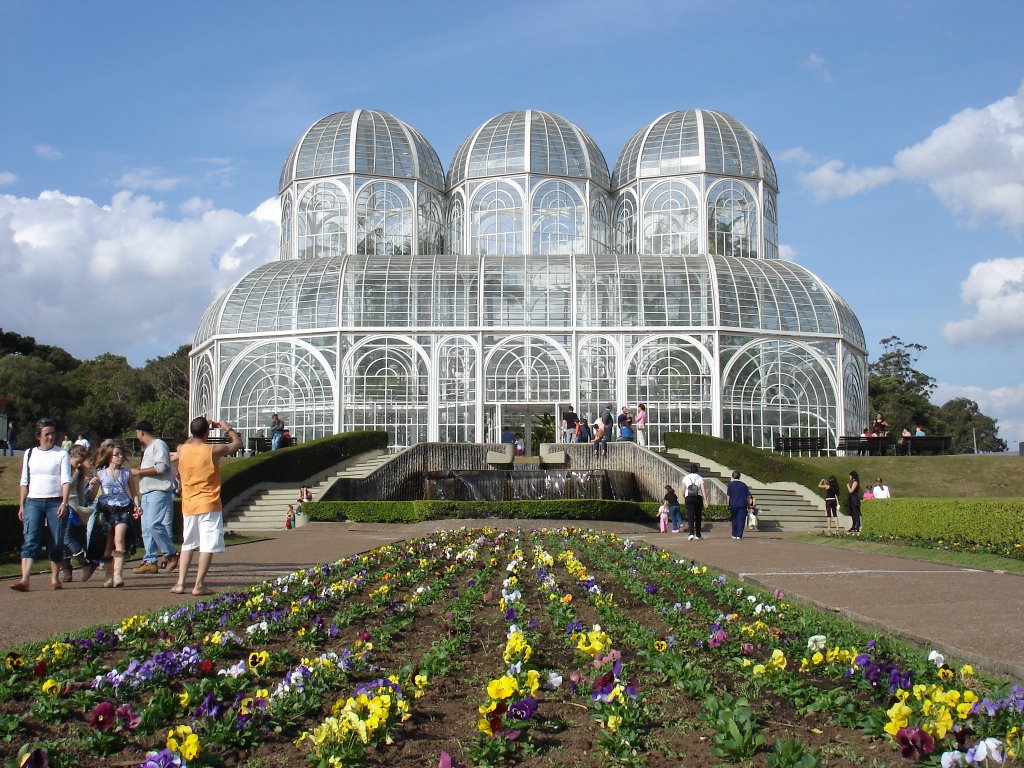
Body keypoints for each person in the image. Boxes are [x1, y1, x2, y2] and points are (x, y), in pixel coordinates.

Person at [172, 417, 243, 596]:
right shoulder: (212, 450)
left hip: (188, 504)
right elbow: (237, 444)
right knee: (207, 545)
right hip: (209, 503)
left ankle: (180, 583)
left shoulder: (182, 449)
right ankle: (199, 585)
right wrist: (227, 428)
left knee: (188, 544)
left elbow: (189, 442)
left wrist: (198, 431)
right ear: (208, 432)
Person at [11, 418, 71, 591]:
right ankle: (25, 579)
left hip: (55, 501)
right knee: (30, 539)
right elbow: (24, 481)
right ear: (38, 436)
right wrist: (22, 505)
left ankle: (54, 578)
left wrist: (64, 503)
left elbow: (66, 480)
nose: (51, 437)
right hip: (34, 501)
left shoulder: (61, 454)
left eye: (52, 434)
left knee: (56, 540)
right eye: (47, 434)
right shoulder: (30, 453)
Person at [87, 440, 142, 588]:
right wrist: (92, 487)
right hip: (106, 510)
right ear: (109, 457)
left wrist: (137, 506)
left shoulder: (127, 473)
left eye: (121, 454)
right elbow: (91, 497)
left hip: (123, 508)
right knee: (108, 543)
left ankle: (118, 574)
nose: (120, 457)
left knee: (119, 539)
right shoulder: (100, 474)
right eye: (116, 454)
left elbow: (134, 493)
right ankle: (108, 575)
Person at [130, 421, 179, 575]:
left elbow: (162, 467)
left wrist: (139, 471)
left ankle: (171, 553)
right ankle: (150, 560)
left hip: (158, 491)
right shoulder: (148, 448)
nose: (136, 435)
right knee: (146, 529)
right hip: (147, 493)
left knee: (153, 524)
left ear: (141, 432)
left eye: (137, 432)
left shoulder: (159, 444)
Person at [60, 444, 98, 582]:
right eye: (78, 461)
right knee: (59, 538)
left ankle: (86, 563)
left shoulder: (79, 471)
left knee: (66, 537)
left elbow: (80, 491)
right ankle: (66, 568)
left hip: (71, 506)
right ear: (71, 456)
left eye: (82, 461)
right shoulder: (62, 468)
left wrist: (82, 508)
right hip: (58, 505)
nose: (80, 464)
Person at [726, 470, 751, 540]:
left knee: (734, 519)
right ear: (739, 476)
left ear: (732, 476)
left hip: (733, 504)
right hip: (742, 504)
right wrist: (749, 506)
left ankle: (734, 534)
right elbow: (748, 497)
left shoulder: (730, 485)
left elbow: (728, 496)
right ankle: (739, 535)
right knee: (741, 520)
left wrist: (728, 504)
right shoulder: (744, 485)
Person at [681, 464, 704, 540]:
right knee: (698, 516)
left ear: (690, 470)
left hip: (689, 498)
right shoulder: (700, 478)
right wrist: (706, 500)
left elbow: (683, 489)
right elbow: (703, 489)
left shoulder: (686, 477)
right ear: (697, 470)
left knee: (690, 516)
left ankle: (691, 533)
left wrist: (684, 496)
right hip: (698, 498)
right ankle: (698, 534)